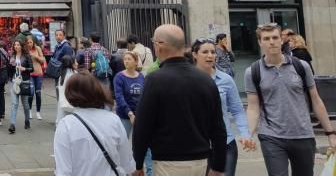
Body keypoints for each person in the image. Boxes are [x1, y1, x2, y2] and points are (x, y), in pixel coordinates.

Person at [132, 24, 227, 176]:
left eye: (154, 42)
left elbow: (142, 126)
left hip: (167, 162)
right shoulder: (206, 79)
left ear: (159, 45)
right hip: (201, 162)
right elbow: (218, 127)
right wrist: (218, 167)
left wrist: (138, 163)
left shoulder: (154, 80)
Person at [245, 23, 336, 176]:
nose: (272, 42)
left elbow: (316, 100)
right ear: (260, 42)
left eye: (275, 37)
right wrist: (249, 133)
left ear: (282, 40)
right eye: (266, 38)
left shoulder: (301, 66)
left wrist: (330, 133)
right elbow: (253, 107)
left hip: (303, 134)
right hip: (271, 136)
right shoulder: (252, 71)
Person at [191, 38, 254, 176]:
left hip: (225, 144)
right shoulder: (187, 80)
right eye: (205, 52)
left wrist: (244, 133)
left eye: (213, 52)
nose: (210, 56)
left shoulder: (226, 79)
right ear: (195, 54)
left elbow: (237, 110)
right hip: (197, 146)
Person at [54, 70, 136, 176]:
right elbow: (127, 163)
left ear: (69, 94)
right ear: (97, 90)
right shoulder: (114, 120)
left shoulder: (66, 125)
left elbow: (63, 170)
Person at [113, 51, 145, 138]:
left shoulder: (141, 76)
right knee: (123, 140)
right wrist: (129, 113)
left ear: (135, 62)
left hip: (139, 114)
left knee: (142, 141)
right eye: (125, 59)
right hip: (125, 114)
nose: (126, 61)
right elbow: (119, 96)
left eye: (129, 59)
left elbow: (144, 95)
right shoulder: (119, 77)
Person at [8, 40, 32, 134]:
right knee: (14, 104)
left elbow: (32, 69)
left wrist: (24, 69)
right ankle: (12, 124)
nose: (16, 46)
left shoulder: (26, 56)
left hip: (24, 82)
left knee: (25, 104)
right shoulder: (13, 56)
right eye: (15, 45)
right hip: (14, 82)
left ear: (22, 46)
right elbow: (9, 69)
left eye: (18, 45)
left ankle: (27, 121)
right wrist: (10, 65)